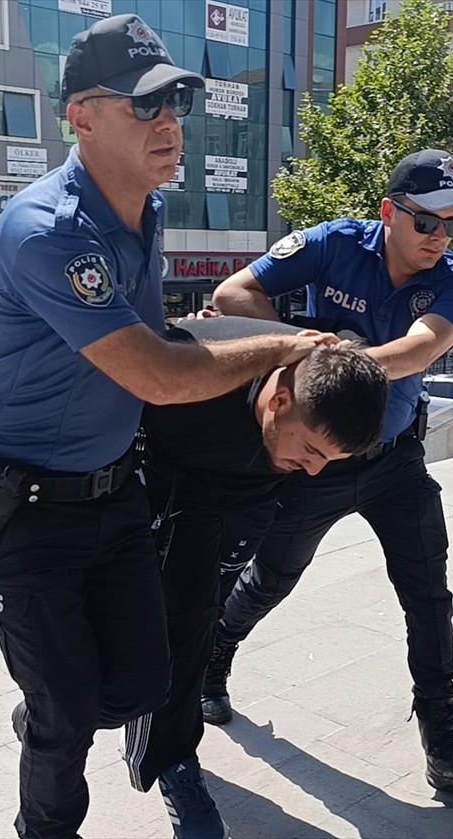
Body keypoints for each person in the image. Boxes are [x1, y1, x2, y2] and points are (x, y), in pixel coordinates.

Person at [0, 15, 334, 839]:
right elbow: (157, 370)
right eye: (145, 106)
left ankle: (56, 701)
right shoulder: (51, 228)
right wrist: (286, 344)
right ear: (81, 116)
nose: (169, 124)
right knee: (67, 719)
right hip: (20, 503)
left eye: (177, 103)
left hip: (114, 490)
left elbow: (155, 351)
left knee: (142, 684)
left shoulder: (143, 212)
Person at [206, 149, 453, 798]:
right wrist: (298, 347)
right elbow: (233, 293)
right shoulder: (334, 243)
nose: (441, 238)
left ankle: (445, 746)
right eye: (428, 222)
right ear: (390, 212)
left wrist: (345, 363)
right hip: (318, 460)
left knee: (429, 595)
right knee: (270, 580)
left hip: (396, 458)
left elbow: (424, 347)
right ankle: (215, 653)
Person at [121, 316, 389, 837]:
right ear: (280, 400)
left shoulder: (318, 388)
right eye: (312, 452)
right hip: (161, 493)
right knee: (140, 637)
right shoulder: (189, 368)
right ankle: (73, 714)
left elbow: (403, 357)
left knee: (191, 632)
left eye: (329, 462)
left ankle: (173, 759)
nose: (315, 471)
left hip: (243, 509)